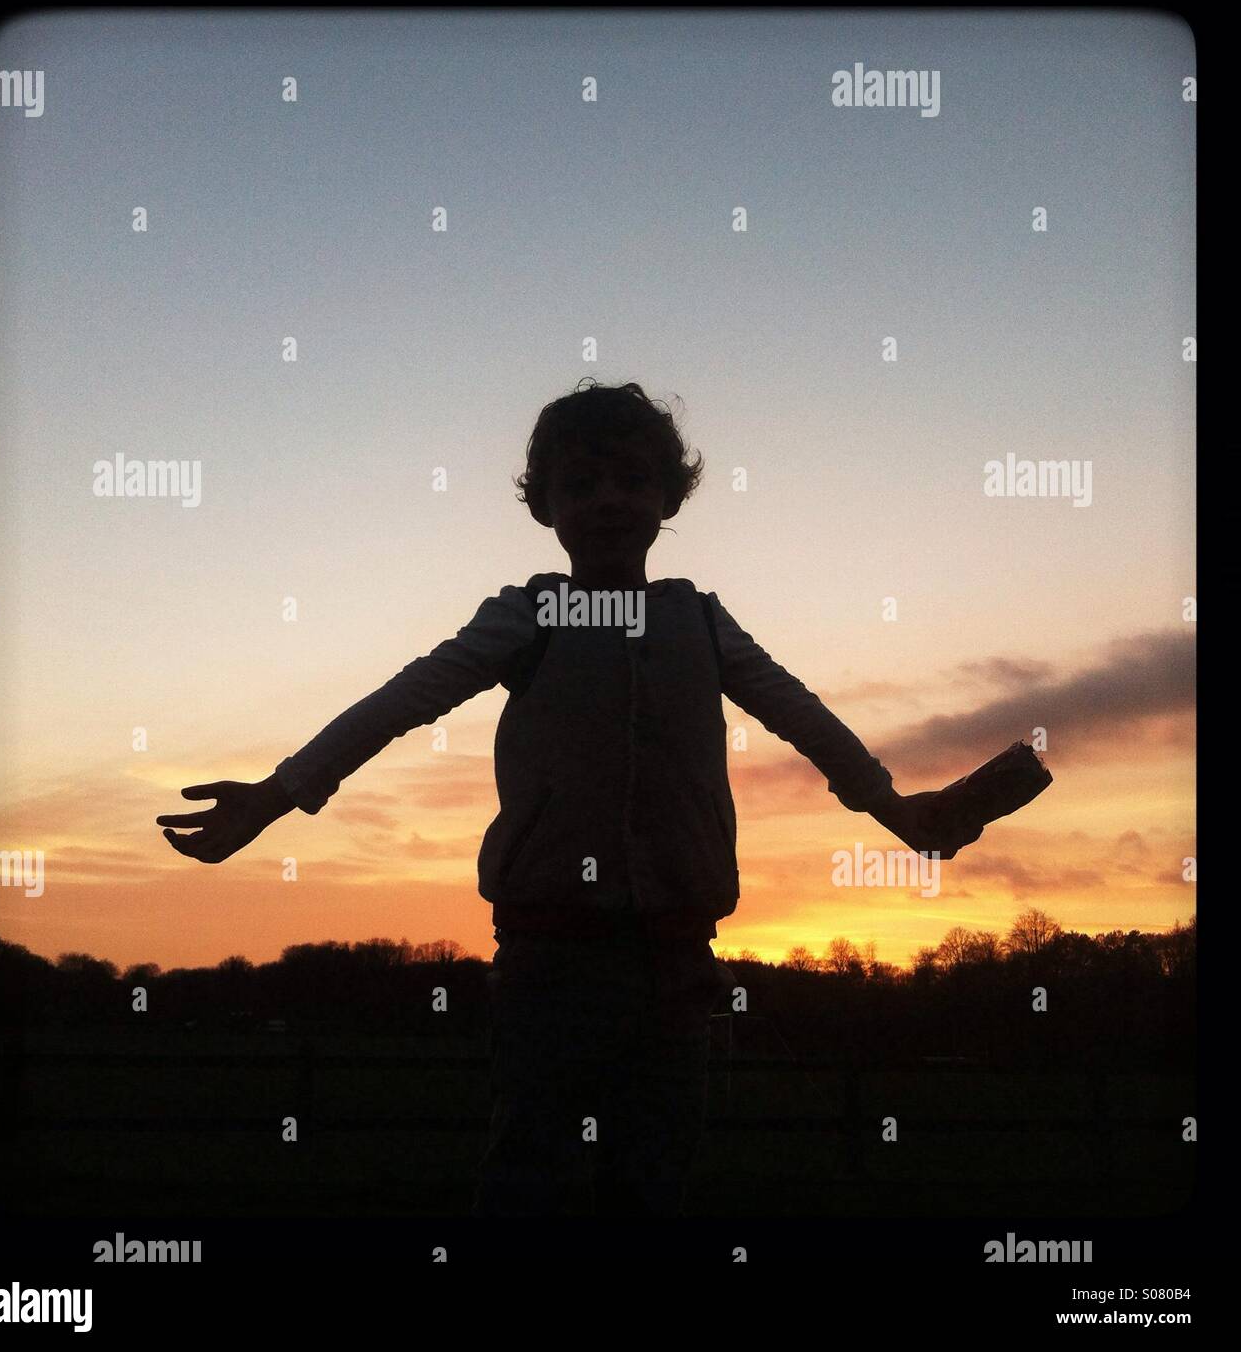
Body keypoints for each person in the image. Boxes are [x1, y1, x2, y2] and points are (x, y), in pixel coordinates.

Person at [157, 378, 983, 1217]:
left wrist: (897, 811)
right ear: (544, 506)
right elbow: (399, 702)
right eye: (579, 486)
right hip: (548, 961)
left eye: (631, 479)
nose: (608, 502)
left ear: (669, 494)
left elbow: (805, 718)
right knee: (529, 1177)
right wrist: (274, 795)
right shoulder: (529, 616)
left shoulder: (700, 621)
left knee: (653, 1185)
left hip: (678, 960)